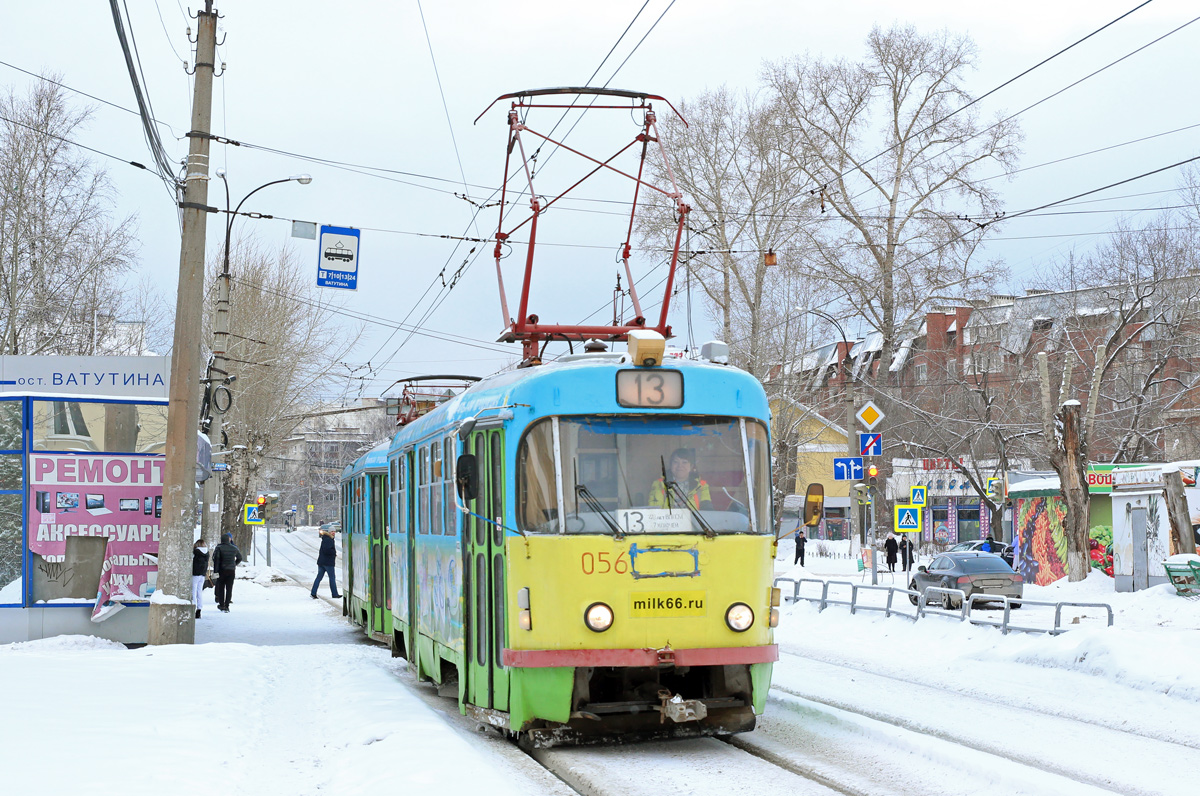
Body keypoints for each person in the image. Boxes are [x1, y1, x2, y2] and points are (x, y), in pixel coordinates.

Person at [212, 532, 243, 613]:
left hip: (222, 570)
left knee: (221, 588)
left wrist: (215, 571)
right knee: (229, 588)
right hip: (231, 571)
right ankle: (227, 605)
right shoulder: (234, 548)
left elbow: (216, 560)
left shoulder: (219, 548)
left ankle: (221, 605)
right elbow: (240, 558)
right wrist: (234, 564)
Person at [311, 527, 341, 600]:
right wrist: (334, 553)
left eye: (334, 531)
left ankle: (313, 592)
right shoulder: (329, 539)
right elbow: (327, 550)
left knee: (319, 578)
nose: (333, 533)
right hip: (328, 562)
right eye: (332, 531)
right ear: (329, 532)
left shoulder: (325, 538)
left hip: (322, 562)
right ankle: (334, 594)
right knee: (332, 578)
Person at [191, 539, 209, 619]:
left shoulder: (196, 552)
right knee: (199, 592)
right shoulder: (207, 553)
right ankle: (199, 609)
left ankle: (193, 608)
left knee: (193, 592)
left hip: (195, 573)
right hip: (202, 574)